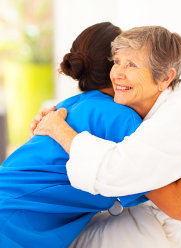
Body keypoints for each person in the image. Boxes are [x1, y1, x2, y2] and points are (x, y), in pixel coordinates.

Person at [33, 26, 181, 248]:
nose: (117, 73)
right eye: (117, 61)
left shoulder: (180, 116)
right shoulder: (140, 112)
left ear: (165, 77)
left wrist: (58, 128)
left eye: (132, 65)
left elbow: (116, 170)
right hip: (156, 218)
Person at [0, 22, 148, 248]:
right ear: (114, 67)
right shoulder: (121, 118)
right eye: (125, 60)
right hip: (11, 222)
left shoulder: (68, 105)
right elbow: (158, 191)